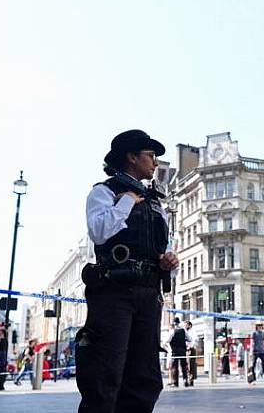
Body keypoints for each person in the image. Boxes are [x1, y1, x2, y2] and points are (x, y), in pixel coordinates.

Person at [77, 129, 179, 413]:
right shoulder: (104, 191)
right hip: (114, 293)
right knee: (105, 373)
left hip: (149, 294)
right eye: (151, 156)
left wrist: (168, 259)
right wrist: (126, 201)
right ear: (132, 157)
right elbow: (98, 232)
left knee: (144, 377)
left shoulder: (155, 202)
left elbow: (164, 243)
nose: (156, 163)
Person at [165, 318, 191, 387]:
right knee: (184, 366)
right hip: (183, 351)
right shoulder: (183, 330)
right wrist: (183, 339)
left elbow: (167, 340)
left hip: (175, 351)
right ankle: (185, 381)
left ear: (174, 323)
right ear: (179, 323)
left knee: (174, 367)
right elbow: (190, 339)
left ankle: (175, 382)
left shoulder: (172, 331)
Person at [184, 321, 197, 385]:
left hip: (191, 350)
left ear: (190, 325)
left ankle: (191, 380)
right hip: (186, 350)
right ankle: (188, 379)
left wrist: (190, 346)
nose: (185, 326)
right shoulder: (185, 332)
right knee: (186, 365)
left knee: (191, 365)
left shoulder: (193, 332)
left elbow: (194, 340)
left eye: (186, 325)